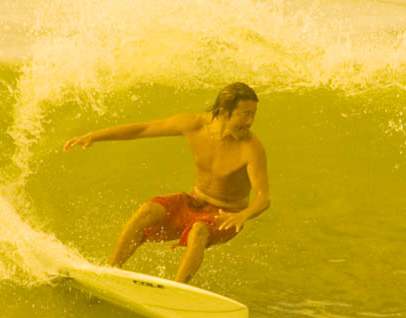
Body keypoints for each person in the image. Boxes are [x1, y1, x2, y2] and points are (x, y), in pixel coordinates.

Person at [63, 82, 270, 283]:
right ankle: (110, 271)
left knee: (199, 230)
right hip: (195, 200)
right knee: (148, 210)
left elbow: (263, 198)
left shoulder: (251, 149)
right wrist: (95, 136)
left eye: (253, 114)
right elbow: (142, 129)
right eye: (245, 114)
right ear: (224, 112)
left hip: (226, 215)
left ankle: (178, 289)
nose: (250, 121)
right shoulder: (194, 125)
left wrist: (243, 215)